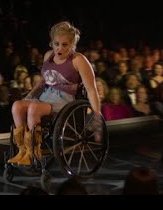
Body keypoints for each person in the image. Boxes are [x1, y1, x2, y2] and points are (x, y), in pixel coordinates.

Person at [7, 21, 102, 166]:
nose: (60, 48)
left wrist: (95, 118)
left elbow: (91, 89)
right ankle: (23, 151)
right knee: (17, 106)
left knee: (33, 108)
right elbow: (43, 81)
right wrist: (29, 96)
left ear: (72, 44)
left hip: (65, 100)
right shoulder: (48, 56)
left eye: (65, 45)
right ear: (52, 43)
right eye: (56, 44)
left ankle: (34, 152)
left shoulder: (78, 60)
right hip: (46, 95)